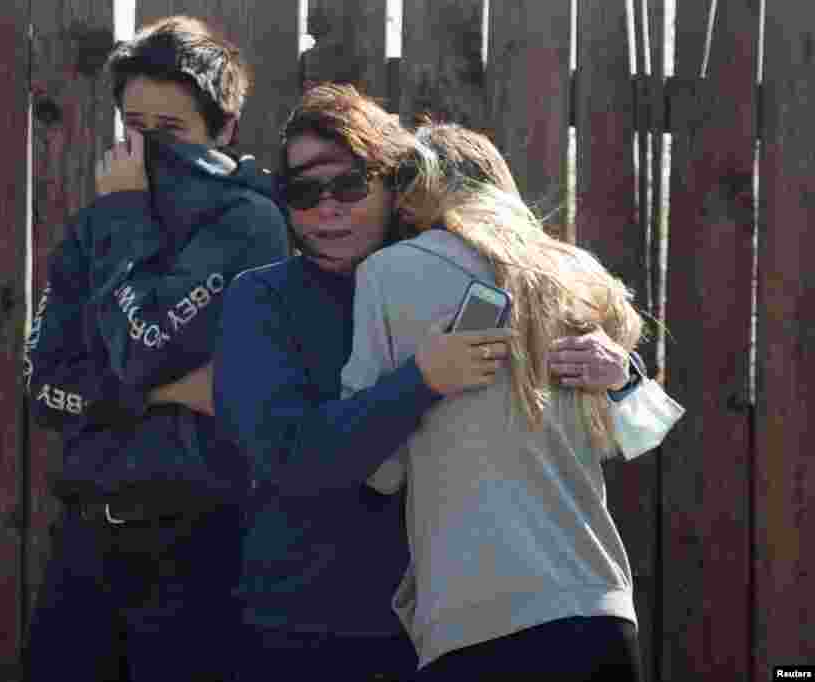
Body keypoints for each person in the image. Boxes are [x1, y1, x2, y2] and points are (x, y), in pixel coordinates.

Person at [211, 86, 632, 681]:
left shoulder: (454, 272)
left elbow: (578, 342)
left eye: (349, 186)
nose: (327, 209)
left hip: (451, 630)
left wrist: (618, 369)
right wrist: (420, 382)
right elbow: (289, 456)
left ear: (395, 186)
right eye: (303, 193)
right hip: (311, 627)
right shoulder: (262, 300)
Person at [22, 16, 289, 681]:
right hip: (85, 542)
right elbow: (43, 387)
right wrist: (166, 394)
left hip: (194, 549)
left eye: (169, 132)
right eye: (133, 128)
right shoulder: (99, 223)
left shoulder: (248, 224)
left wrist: (122, 221)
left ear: (223, 131)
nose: (146, 149)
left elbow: (144, 349)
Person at [341, 122, 648, 679]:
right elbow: (640, 434)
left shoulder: (386, 273)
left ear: (411, 194)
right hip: (598, 604)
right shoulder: (579, 274)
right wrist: (625, 376)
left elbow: (377, 469)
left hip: (476, 620)